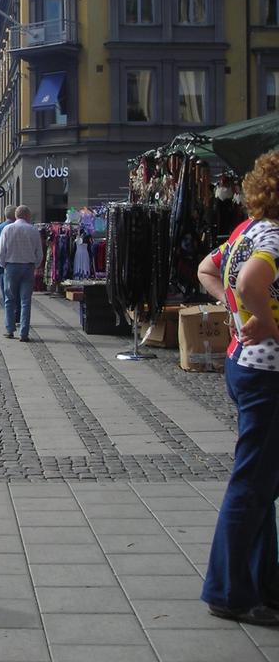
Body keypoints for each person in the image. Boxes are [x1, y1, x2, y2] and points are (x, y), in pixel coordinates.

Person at [198, 150, 279, 626]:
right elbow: (251, 282)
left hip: (243, 364)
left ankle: (262, 582)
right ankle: (228, 591)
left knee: (264, 481)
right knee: (252, 484)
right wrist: (263, 320)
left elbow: (209, 270)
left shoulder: (245, 231)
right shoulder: (274, 235)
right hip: (269, 370)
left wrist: (235, 312)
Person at [0, 204, 42, 342]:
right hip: (28, 267)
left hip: (11, 267)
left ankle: (10, 330)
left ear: (16, 216)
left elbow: (1, 252)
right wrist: (35, 265)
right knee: (25, 301)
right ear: (27, 216)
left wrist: (4, 265)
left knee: (9, 300)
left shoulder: (7, 229)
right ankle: (24, 333)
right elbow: (39, 252)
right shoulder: (33, 230)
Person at [0, 204, 16, 311]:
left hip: (3, 259)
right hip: (16, 259)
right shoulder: (18, 226)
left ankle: (7, 308)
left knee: (4, 286)